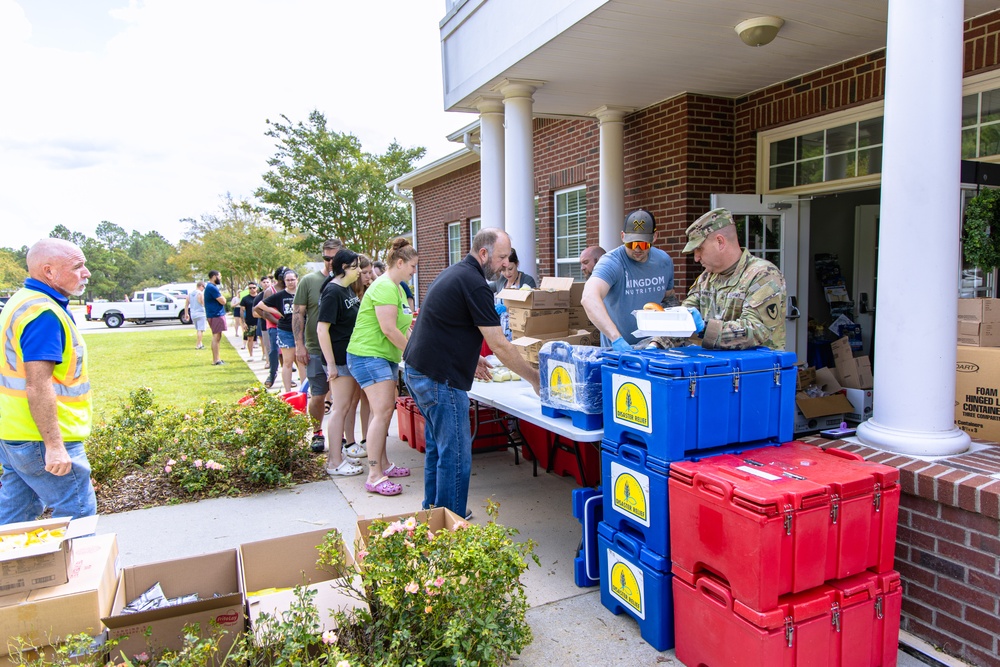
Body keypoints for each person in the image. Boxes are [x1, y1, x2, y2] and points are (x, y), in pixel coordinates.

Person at [404, 228, 541, 520]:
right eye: (502, 257)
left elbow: (446, 324)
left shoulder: (455, 273)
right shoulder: (475, 283)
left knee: (439, 450)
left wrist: (472, 356)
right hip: (438, 379)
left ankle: (434, 513)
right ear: (484, 254)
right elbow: (500, 344)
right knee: (455, 457)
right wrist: (534, 378)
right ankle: (450, 525)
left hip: (419, 371)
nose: (506, 263)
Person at [0, 238, 97, 524]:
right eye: (78, 266)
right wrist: (54, 445)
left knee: (15, 518)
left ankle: (11, 569)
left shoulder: (22, 301)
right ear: (49, 272)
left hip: (14, 433)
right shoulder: (43, 314)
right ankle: (79, 570)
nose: (86, 272)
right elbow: (37, 384)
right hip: (42, 437)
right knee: (78, 513)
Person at [346, 238, 418, 497]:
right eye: (412, 266)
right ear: (399, 263)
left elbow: (401, 325)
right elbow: (388, 329)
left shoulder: (398, 288)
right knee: (382, 412)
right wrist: (413, 355)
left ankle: (384, 464)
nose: (414, 271)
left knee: (385, 412)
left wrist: (412, 345)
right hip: (368, 355)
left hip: (383, 356)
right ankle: (374, 475)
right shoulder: (385, 286)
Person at [680, 207, 787, 350]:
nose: (696, 257)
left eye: (699, 249)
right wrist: (657, 342)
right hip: (718, 368)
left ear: (720, 242)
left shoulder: (763, 275)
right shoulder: (706, 278)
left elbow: (755, 330)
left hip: (756, 369)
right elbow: (684, 315)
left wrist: (705, 328)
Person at [581, 209, 677, 350]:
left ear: (654, 237)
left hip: (656, 349)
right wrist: (616, 338)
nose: (637, 249)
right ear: (622, 236)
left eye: (643, 244)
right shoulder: (611, 262)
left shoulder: (663, 261)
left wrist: (662, 338)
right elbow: (589, 298)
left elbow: (669, 299)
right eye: (631, 244)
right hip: (618, 353)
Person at [317, 248, 365, 476]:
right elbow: (322, 329)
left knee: (346, 408)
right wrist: (332, 364)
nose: (359, 271)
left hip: (350, 356)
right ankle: (334, 462)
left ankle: (342, 454)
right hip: (339, 358)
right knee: (339, 408)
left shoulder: (346, 289)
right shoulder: (332, 292)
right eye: (355, 267)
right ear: (344, 268)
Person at [294, 239, 343, 453]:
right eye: (326, 258)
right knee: (318, 394)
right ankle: (317, 432)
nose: (331, 262)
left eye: (335, 257)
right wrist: (299, 345)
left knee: (342, 397)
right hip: (315, 348)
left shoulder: (346, 280)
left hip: (341, 348)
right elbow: (298, 313)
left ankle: (340, 434)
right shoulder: (309, 281)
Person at [260, 269, 305, 393]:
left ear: (297, 279)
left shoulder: (302, 293)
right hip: (285, 331)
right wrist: (275, 312)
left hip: (301, 331)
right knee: (287, 361)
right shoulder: (280, 295)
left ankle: (304, 390)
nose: (290, 282)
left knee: (302, 361)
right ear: (284, 281)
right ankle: (288, 391)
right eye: (287, 280)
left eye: (292, 280)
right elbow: (260, 305)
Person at [254, 269, 286, 388]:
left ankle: (287, 377)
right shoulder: (270, 291)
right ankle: (272, 375)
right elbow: (262, 310)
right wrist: (279, 322)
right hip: (274, 326)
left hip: (288, 327)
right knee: (275, 351)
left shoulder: (291, 289)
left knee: (288, 354)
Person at [204, 270, 228, 365]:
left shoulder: (211, 287)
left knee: (218, 336)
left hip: (214, 314)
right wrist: (223, 297)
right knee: (216, 336)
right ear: (214, 276)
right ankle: (216, 360)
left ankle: (217, 358)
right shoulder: (212, 287)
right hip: (215, 315)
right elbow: (223, 301)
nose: (220, 278)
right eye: (219, 276)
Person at [239, 283, 259, 361]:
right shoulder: (245, 299)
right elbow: (242, 311)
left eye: (253, 287)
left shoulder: (260, 297)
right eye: (250, 288)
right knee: (250, 338)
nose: (252, 289)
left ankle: (265, 355)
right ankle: (251, 355)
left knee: (262, 338)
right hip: (249, 321)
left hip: (260, 320)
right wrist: (243, 322)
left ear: (256, 288)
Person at [185, 281, 207, 349]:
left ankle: (200, 343)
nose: (203, 289)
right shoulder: (200, 294)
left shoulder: (190, 294)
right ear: (201, 286)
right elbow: (203, 303)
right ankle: (198, 345)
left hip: (193, 313)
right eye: (203, 287)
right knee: (200, 329)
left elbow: (186, 305)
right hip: (200, 313)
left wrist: (186, 313)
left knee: (198, 329)